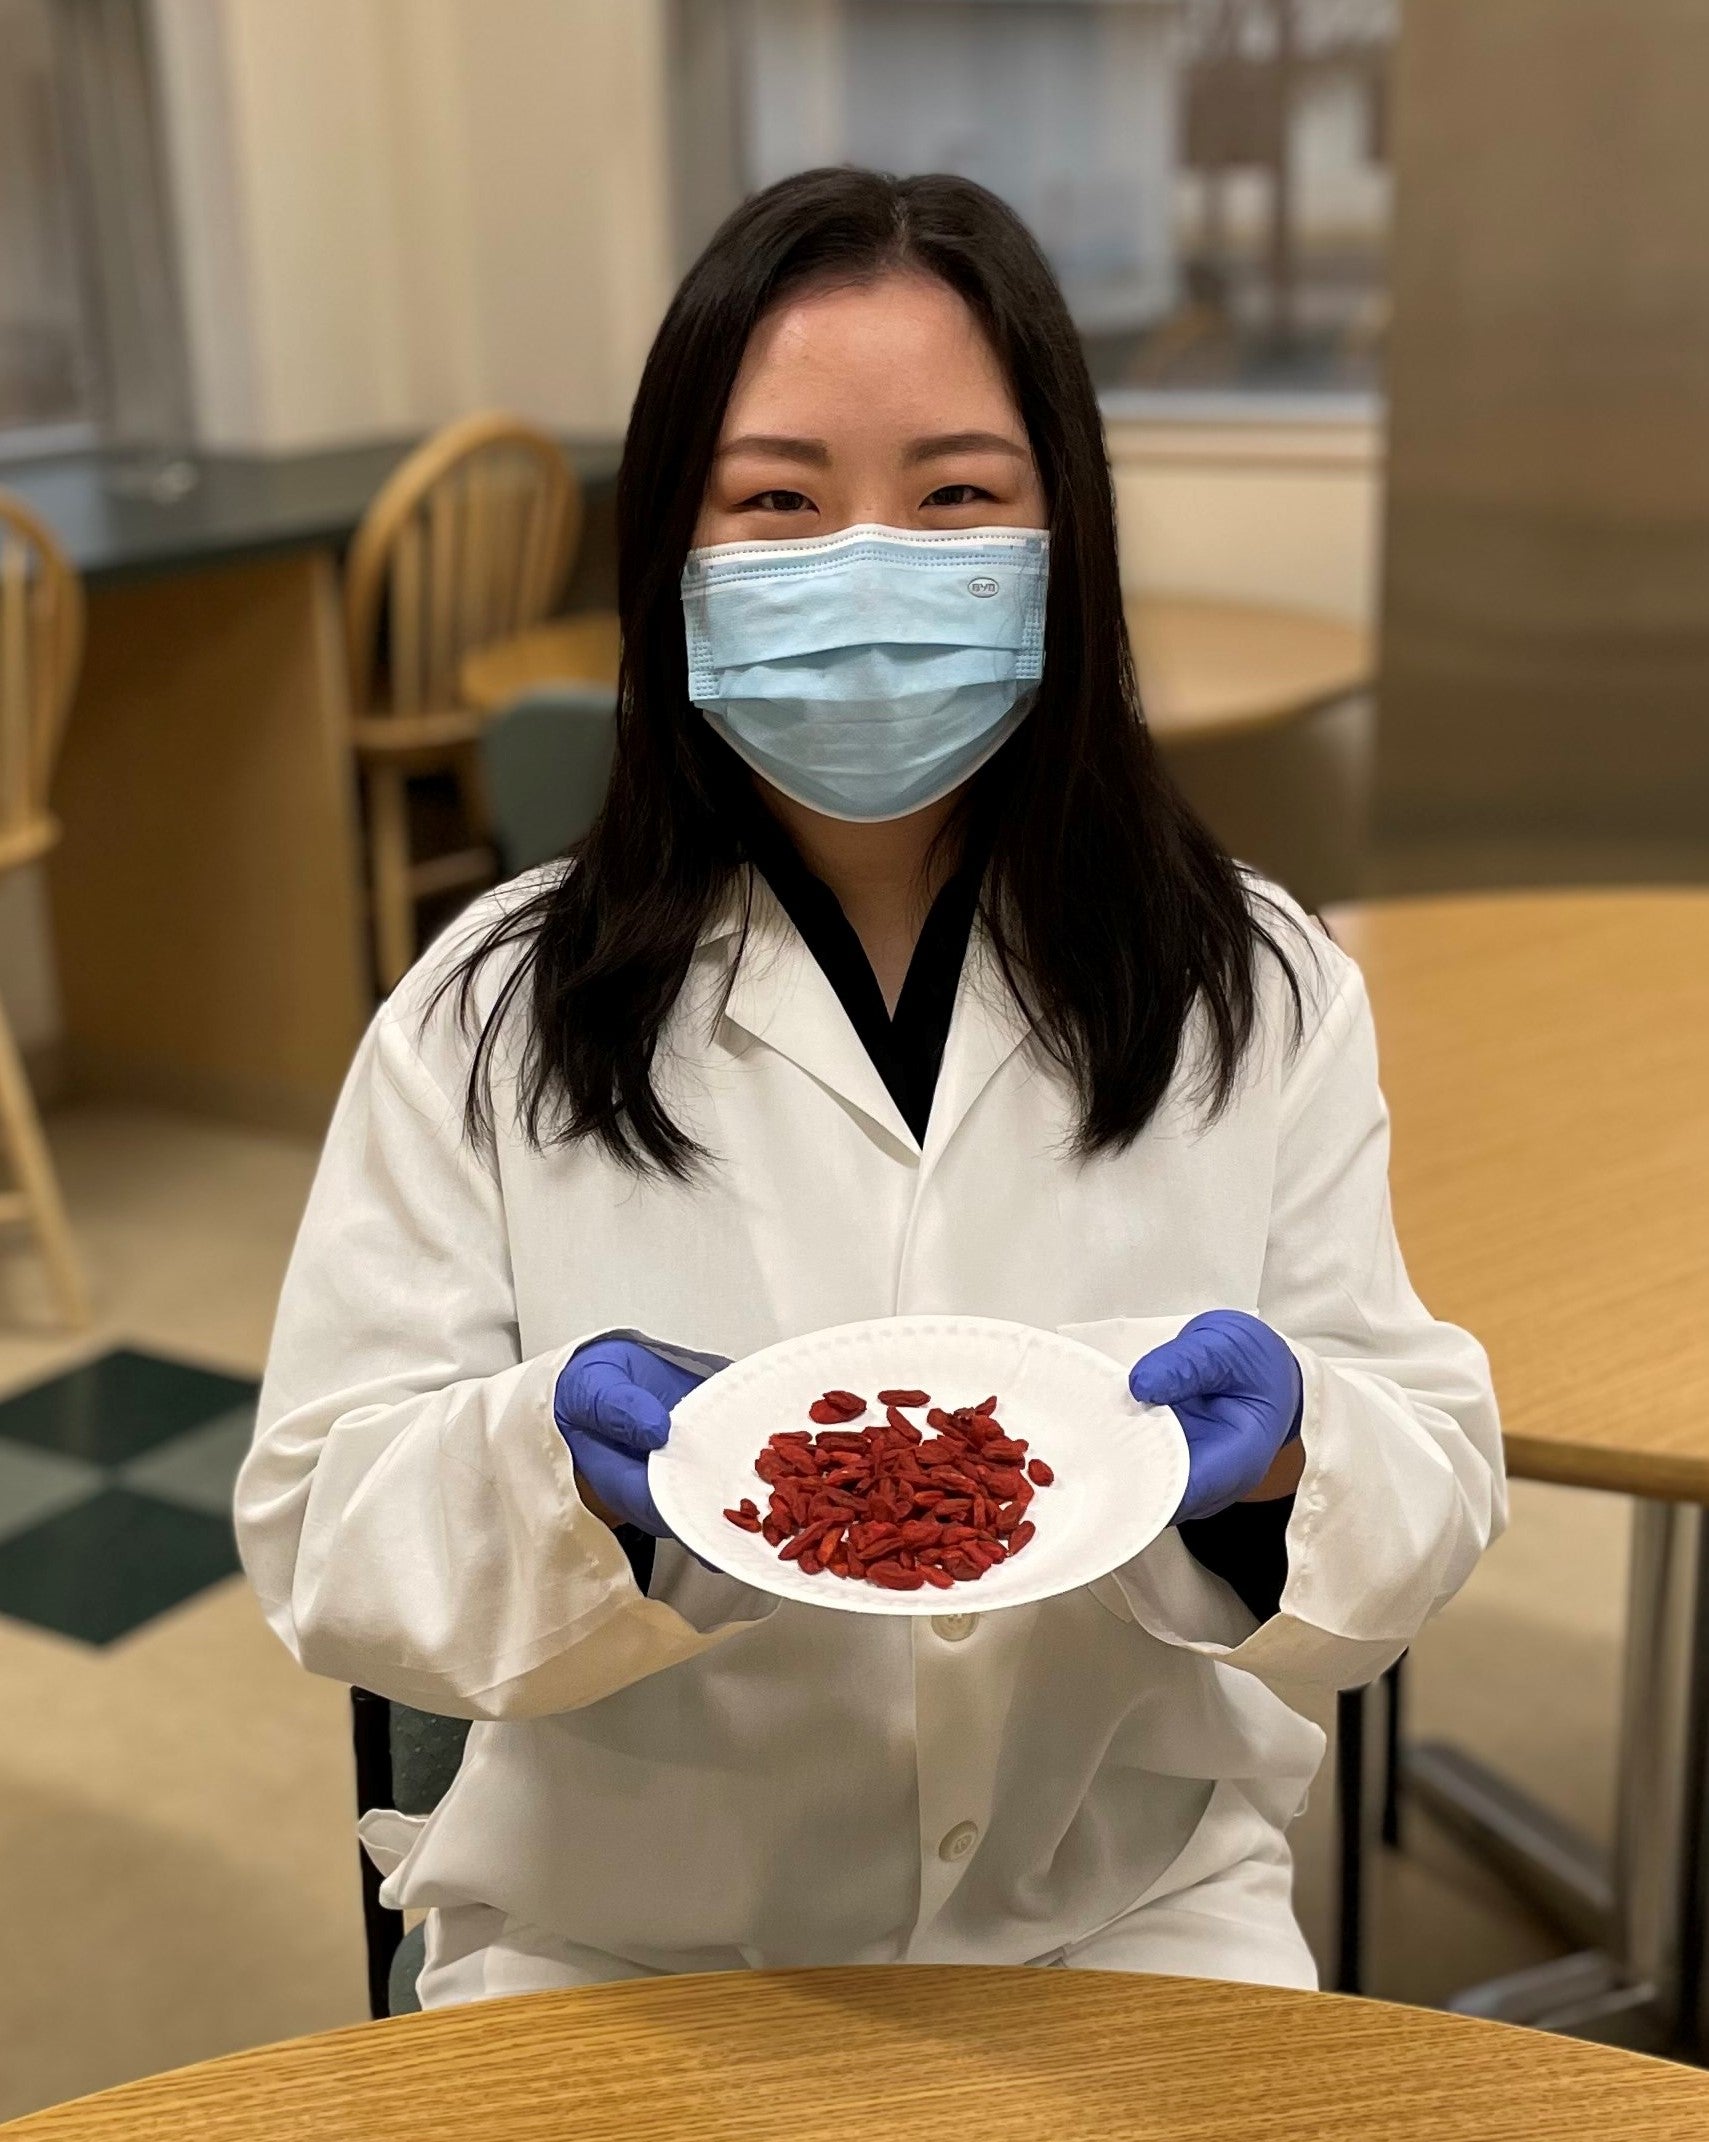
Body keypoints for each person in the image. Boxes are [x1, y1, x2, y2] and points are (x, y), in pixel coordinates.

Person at [237, 169, 1503, 2006]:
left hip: (1132, 1916)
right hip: (622, 1947)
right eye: (776, 500)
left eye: (957, 495)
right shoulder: (490, 1007)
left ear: (1060, 535)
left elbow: (1432, 1479)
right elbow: (318, 1530)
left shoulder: (1256, 981)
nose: (866, 565)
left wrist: (1296, 1453)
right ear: (669, 552)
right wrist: (547, 1476)